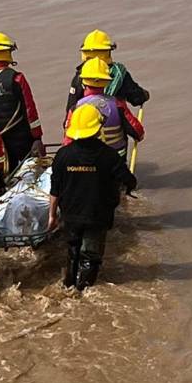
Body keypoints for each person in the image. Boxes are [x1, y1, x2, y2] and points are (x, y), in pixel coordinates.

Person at [48, 104, 138, 290]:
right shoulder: (110, 156)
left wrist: (51, 215)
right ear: (98, 128)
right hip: (97, 215)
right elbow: (129, 180)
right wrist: (128, 187)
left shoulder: (63, 155)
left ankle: (69, 286)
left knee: (73, 250)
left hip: (70, 214)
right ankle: (83, 291)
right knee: (91, 255)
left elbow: (55, 189)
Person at [0, 31, 44, 171]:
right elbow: (30, 110)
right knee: (26, 172)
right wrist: (37, 137)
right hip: (19, 139)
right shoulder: (17, 78)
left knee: (2, 171)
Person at [63, 58, 144, 158]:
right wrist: (140, 136)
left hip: (89, 161)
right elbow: (137, 131)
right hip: (116, 159)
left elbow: (68, 141)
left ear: (83, 83)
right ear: (106, 82)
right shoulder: (118, 104)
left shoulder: (75, 108)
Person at [64, 29, 150, 116]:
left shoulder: (81, 76)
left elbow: (70, 108)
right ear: (108, 52)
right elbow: (136, 98)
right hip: (114, 123)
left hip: (85, 124)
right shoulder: (119, 74)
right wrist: (144, 95)